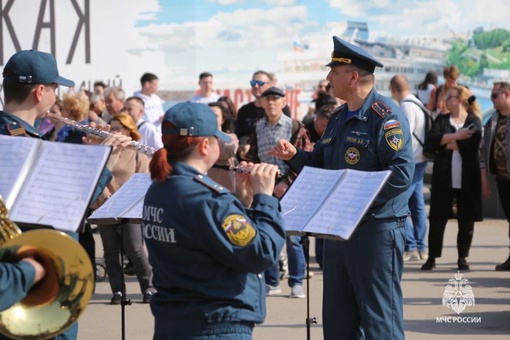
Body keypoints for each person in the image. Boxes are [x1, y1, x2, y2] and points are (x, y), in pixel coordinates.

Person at [268, 36, 414, 339]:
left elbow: (401, 174)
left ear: (353, 76)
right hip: (337, 230)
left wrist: (355, 202)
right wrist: (295, 156)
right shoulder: (337, 117)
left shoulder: (385, 118)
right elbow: (321, 163)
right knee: (338, 319)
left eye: (333, 73)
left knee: (379, 321)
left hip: (375, 231)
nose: (328, 78)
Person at [0, 49, 131, 340]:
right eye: (55, 89)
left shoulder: (21, 137)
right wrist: (104, 162)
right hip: (32, 290)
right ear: (40, 91)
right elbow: (63, 210)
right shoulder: (19, 143)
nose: (55, 98)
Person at [142, 101, 285, 338]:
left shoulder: (160, 188)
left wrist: (242, 201)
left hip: (175, 322)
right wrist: (264, 199)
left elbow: (207, 238)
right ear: (206, 146)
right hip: (215, 325)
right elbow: (262, 253)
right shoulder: (210, 198)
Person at [245, 86, 312, 299]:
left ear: (284, 103)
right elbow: (255, 156)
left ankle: (296, 282)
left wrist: (286, 182)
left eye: (276, 99)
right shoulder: (257, 127)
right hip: (265, 187)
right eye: (268, 99)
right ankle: (272, 281)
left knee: (292, 237)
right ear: (262, 103)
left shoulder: (295, 127)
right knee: (267, 232)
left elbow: (307, 159)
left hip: (290, 189)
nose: (271, 102)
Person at [92, 112, 155, 304]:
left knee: (134, 248)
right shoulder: (105, 149)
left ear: (129, 130)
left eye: (118, 128)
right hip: (106, 205)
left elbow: (143, 179)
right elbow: (96, 176)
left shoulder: (138, 151)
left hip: (130, 206)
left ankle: (149, 288)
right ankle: (118, 291)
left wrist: (127, 201)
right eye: (112, 128)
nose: (113, 131)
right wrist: (104, 197)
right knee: (111, 251)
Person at [421, 85, 483, 271]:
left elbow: (472, 146)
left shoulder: (473, 120)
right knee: (438, 219)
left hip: (467, 179)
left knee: (466, 220)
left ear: (460, 99)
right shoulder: (442, 119)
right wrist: (456, 136)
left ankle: (462, 257)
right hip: (443, 178)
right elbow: (431, 142)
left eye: (450, 97)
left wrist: (445, 142)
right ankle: (432, 257)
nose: (446, 100)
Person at [390, 74, 429, 262]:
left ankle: (411, 246)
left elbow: (403, 136)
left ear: (393, 90)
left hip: (410, 161)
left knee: (398, 202)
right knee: (417, 205)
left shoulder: (405, 106)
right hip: (421, 158)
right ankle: (421, 246)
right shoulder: (418, 103)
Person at [480, 81, 510, 271]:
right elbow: (483, 151)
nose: (492, 100)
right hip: (502, 178)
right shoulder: (492, 119)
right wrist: (484, 178)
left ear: (507, 95)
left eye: (494, 96)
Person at [235, 70, 291, 160]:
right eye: (253, 83)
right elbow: (240, 134)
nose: (256, 86)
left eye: (260, 83)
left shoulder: (281, 108)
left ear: (270, 85)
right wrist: (244, 145)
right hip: (251, 160)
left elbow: (287, 131)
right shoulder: (244, 110)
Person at [206, 101, 239, 192]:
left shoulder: (230, 137)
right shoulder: (198, 137)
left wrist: (215, 133)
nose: (211, 118)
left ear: (223, 119)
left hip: (224, 190)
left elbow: (228, 151)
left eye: (215, 116)